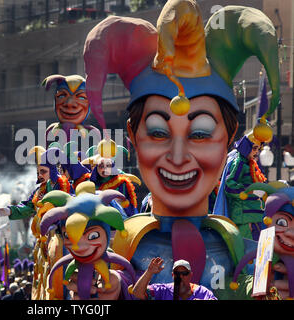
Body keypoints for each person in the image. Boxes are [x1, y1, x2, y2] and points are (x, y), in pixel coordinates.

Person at [78, 0, 281, 299]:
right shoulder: (119, 243)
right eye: (158, 133)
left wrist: (267, 286)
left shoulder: (239, 245)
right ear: (133, 137)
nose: (177, 156)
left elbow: (255, 285)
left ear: (229, 137)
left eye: (200, 134)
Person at [131, 258, 217, 300]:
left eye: (184, 273)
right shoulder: (163, 290)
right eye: (177, 273)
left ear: (190, 275)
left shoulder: (202, 292)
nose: (181, 276)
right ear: (173, 275)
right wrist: (149, 272)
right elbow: (137, 293)